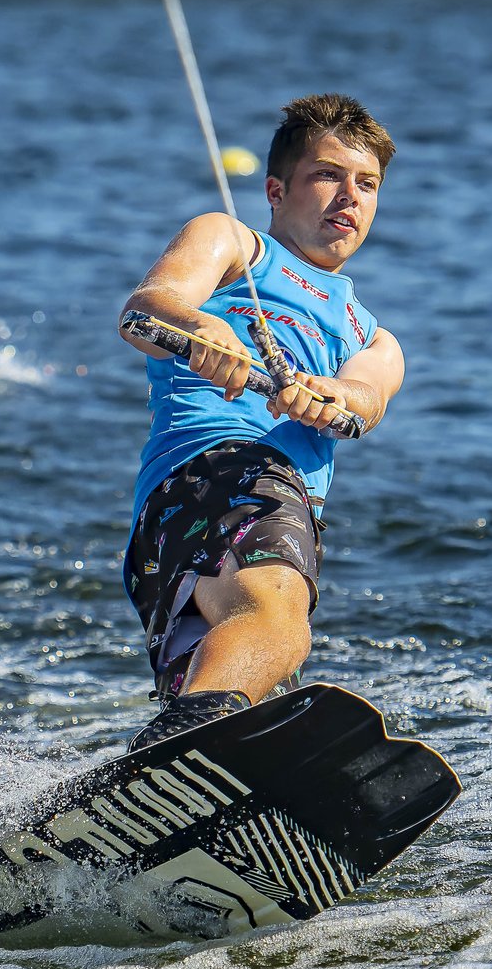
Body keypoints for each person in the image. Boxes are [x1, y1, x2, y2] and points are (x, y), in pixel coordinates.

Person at [118, 94, 404, 752]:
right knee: (280, 625)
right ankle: (181, 747)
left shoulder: (372, 336)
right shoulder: (232, 244)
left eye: (367, 184)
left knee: (238, 694)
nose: (349, 197)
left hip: (207, 532)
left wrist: (326, 395)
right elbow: (145, 311)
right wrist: (201, 328)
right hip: (220, 473)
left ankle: (169, 775)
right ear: (276, 189)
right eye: (327, 175)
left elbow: (366, 401)